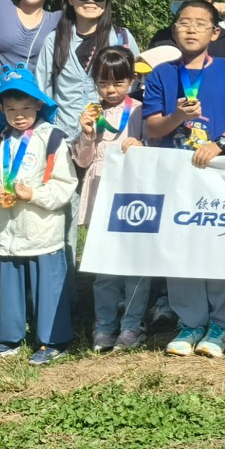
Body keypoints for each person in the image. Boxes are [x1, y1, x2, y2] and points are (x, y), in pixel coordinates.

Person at [142, 0, 225, 356]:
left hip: (219, 171)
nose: (191, 29)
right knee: (181, 245)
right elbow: (153, 128)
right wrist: (176, 115)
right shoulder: (161, 74)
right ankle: (189, 323)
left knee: (221, 242)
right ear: (174, 30)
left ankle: (220, 325)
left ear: (215, 32)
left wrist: (220, 144)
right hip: (178, 173)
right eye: (184, 23)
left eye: (200, 24)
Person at [0, 67, 77, 364]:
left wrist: (34, 195)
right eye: (12, 109)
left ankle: (52, 341)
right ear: (1, 109)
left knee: (48, 286)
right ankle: (6, 338)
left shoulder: (52, 138)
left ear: (39, 106)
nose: (19, 115)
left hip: (42, 229)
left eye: (27, 108)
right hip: (6, 229)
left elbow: (65, 183)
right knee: (6, 282)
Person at [72, 45, 148, 352]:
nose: (111, 89)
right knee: (104, 266)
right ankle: (103, 325)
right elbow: (81, 159)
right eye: (104, 82)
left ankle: (132, 325)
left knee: (134, 264)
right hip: (100, 188)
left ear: (130, 80)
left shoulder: (141, 110)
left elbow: (152, 151)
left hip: (132, 193)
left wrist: (141, 143)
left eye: (118, 82)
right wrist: (87, 134)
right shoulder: (92, 112)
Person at [34, 0, 138, 136]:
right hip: (63, 139)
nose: (91, 1)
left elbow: (136, 85)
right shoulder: (54, 41)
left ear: (106, 1)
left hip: (109, 139)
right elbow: (42, 89)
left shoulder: (122, 39)